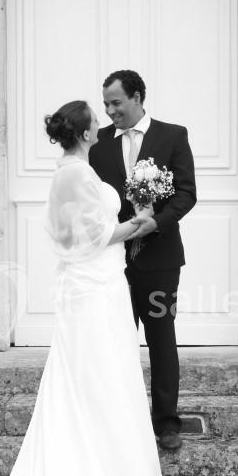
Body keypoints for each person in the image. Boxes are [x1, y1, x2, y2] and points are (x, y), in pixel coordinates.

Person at [0, 100, 173, 476]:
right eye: (95, 121)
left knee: (98, 380)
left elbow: (75, 235)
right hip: (94, 288)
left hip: (96, 286)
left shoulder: (70, 172)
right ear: (83, 132)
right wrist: (139, 222)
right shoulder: (75, 175)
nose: (102, 123)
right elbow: (93, 238)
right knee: (97, 383)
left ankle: (108, 467)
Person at [89, 70, 197, 452]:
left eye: (116, 102)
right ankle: (117, 423)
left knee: (161, 338)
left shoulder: (173, 136)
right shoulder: (98, 143)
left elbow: (186, 193)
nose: (109, 111)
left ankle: (166, 423)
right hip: (112, 261)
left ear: (137, 97)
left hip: (161, 260)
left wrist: (157, 222)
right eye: (106, 104)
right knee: (115, 341)